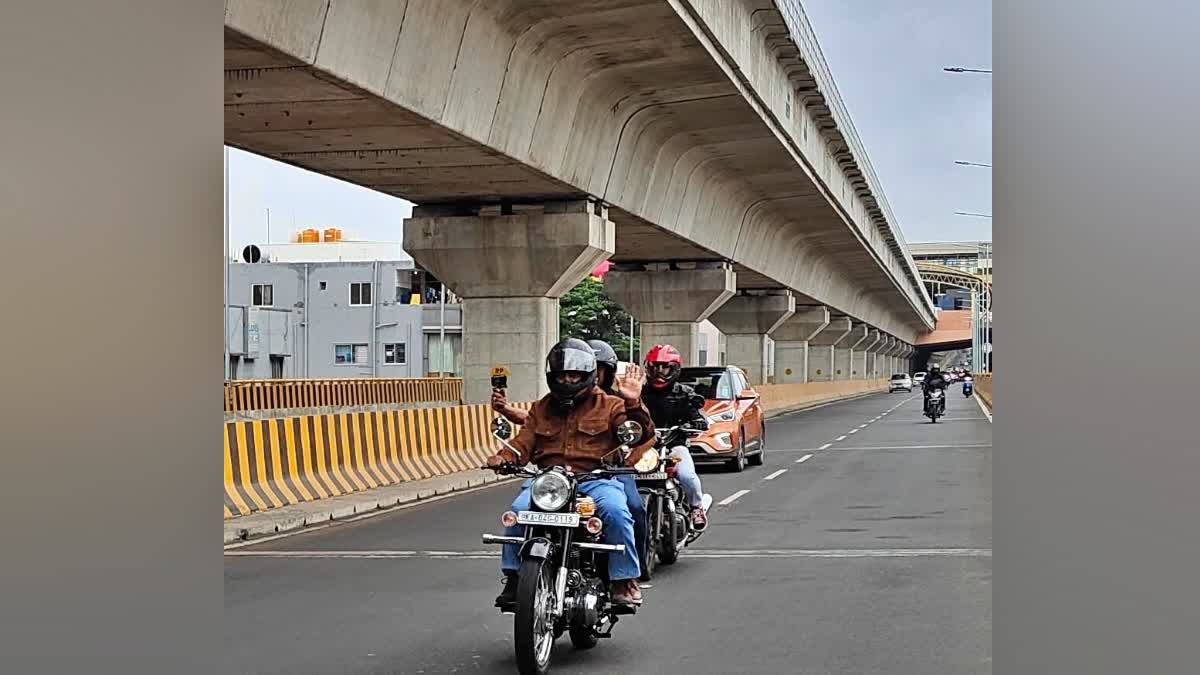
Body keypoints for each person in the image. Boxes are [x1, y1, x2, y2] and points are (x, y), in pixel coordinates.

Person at [486, 339, 655, 609]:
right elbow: (523, 443)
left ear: (588, 375)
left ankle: (623, 580)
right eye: (562, 374)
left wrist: (634, 403)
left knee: (617, 512)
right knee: (517, 513)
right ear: (553, 375)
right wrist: (504, 457)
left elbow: (639, 434)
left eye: (574, 374)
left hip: (595, 479)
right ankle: (515, 578)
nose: (567, 379)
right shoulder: (542, 407)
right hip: (550, 481)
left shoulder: (611, 405)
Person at [640, 344, 710, 531]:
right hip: (644, 449)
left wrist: (696, 422)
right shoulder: (639, 393)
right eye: (655, 367)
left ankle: (696, 507)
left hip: (674, 447)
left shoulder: (684, 393)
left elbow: (696, 415)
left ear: (674, 369)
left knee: (687, 475)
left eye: (664, 367)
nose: (659, 372)